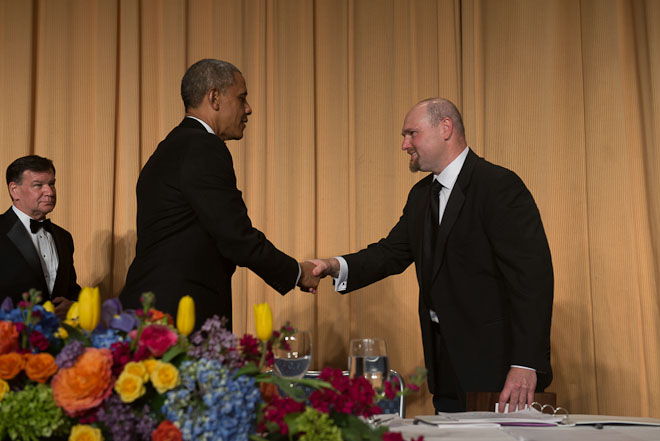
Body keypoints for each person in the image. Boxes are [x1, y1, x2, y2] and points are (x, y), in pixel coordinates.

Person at [311, 98, 553, 413]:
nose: (404, 145)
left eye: (412, 134)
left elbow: (531, 278)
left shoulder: (498, 186)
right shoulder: (421, 196)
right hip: (444, 365)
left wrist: (525, 362)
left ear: (445, 128)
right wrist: (334, 266)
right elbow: (391, 253)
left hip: (498, 369)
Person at [121, 59, 319, 330]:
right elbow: (236, 236)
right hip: (177, 316)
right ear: (214, 97)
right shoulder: (202, 146)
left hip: (151, 308)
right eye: (241, 98)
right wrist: (297, 273)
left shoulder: (170, 147)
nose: (248, 109)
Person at [0, 155, 81, 318]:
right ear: (14, 190)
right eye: (38, 185)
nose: (50, 192)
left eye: (52, 184)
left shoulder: (64, 237)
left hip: (57, 339)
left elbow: (71, 290)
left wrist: (73, 306)